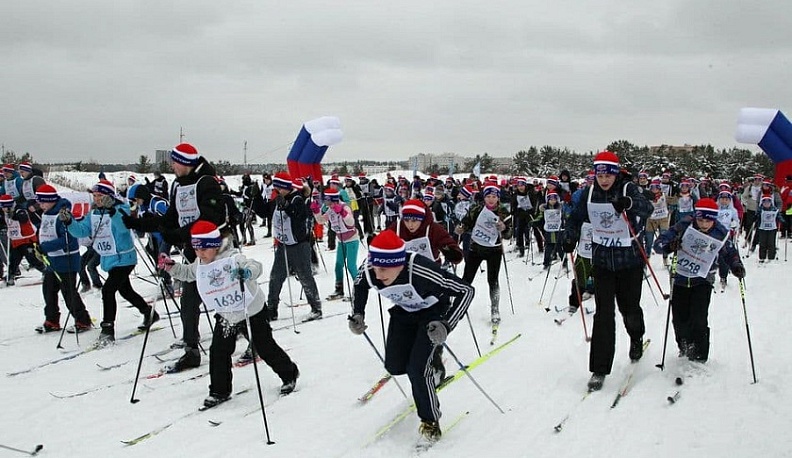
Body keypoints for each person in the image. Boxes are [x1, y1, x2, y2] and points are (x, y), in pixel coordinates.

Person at [349, 230, 474, 445]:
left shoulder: (422, 270)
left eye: (384, 269)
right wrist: (358, 313)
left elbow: (466, 290)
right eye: (375, 268)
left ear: (399, 263)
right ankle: (432, 362)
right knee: (395, 366)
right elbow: (360, 284)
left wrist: (447, 324)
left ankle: (430, 422)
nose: (378, 275)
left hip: (433, 315)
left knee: (417, 369)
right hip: (404, 313)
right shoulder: (371, 269)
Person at [160, 221, 300, 407]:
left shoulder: (232, 258)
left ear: (215, 246)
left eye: (204, 249)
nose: (200, 254)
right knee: (218, 351)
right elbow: (189, 273)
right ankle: (219, 390)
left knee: (264, 346)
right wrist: (172, 267)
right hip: (227, 314)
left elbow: (255, 265)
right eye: (196, 250)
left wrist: (247, 272)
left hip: (251, 310)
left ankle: (289, 373)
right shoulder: (201, 263)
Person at [122, 143, 227, 371]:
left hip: (215, 249)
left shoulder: (207, 183)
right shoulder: (178, 185)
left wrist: (179, 234)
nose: (172, 166)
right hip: (192, 249)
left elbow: (210, 217)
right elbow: (169, 218)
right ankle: (191, 350)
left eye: (175, 162)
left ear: (186, 163)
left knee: (224, 297)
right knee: (189, 301)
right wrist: (140, 223)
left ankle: (250, 337)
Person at [562, 151, 653, 391]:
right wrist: (569, 236)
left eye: (607, 174)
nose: (603, 179)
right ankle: (599, 368)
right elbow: (575, 217)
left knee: (629, 307)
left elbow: (647, 207)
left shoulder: (628, 188)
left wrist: (630, 204)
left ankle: (636, 336)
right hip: (602, 261)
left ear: (615, 173)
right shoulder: (589, 193)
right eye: (599, 174)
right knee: (603, 314)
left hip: (629, 261)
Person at [64, 179, 159, 347]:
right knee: (126, 291)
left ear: (109, 196)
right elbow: (82, 231)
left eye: (100, 195)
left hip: (124, 259)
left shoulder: (120, 208)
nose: (96, 198)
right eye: (94, 195)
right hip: (109, 259)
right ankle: (149, 313)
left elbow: (123, 228)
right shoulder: (93, 214)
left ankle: (107, 329)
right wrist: (69, 222)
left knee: (108, 291)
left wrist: (112, 211)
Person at [653, 198, 745, 362]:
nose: (703, 224)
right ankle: (685, 346)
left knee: (699, 318)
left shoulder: (720, 232)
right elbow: (659, 244)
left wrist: (736, 265)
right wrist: (670, 246)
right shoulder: (684, 225)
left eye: (708, 221)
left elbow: (730, 252)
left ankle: (700, 354)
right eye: (700, 220)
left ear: (714, 219)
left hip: (703, 279)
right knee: (679, 318)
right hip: (680, 278)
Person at [33, 185, 93, 333]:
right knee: (48, 291)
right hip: (51, 261)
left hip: (66, 260)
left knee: (69, 293)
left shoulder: (63, 214)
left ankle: (83, 320)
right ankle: (52, 320)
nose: (40, 205)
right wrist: (39, 248)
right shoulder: (47, 213)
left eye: (42, 202)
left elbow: (68, 241)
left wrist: (45, 247)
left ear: (51, 200)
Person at [267, 171, 322, 322]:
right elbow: (266, 212)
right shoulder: (278, 197)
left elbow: (299, 215)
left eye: (280, 188)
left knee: (305, 277)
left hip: (299, 244)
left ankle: (316, 308)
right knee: (276, 277)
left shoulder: (298, 198)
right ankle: (271, 309)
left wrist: (286, 207)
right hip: (283, 244)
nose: (278, 191)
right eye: (276, 187)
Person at [456, 183, 512, 325]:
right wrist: (460, 229)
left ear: (498, 198)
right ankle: (458, 305)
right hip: (476, 248)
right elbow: (466, 223)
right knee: (467, 278)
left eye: (494, 196)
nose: (491, 199)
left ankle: (495, 309)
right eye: (488, 196)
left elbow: (509, 234)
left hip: (494, 250)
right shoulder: (477, 208)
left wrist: (504, 228)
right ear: (484, 197)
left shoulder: (503, 211)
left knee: (493, 281)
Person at [310, 187, 359, 301]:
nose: (327, 204)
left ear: (334, 200)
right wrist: (316, 212)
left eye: (328, 201)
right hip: (341, 240)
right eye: (325, 201)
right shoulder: (330, 210)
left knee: (351, 266)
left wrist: (342, 213)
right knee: (338, 265)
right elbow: (321, 221)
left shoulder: (344, 207)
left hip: (352, 239)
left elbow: (351, 222)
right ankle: (339, 289)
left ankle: (358, 290)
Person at [0, 194, 45, 285]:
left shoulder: (19, 209)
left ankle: (46, 271)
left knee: (32, 259)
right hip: (16, 240)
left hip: (27, 240)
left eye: (4, 207)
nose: (3, 209)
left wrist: (12, 215)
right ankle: (10, 276)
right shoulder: (3, 213)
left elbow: (23, 218)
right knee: (13, 260)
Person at [751, 195, 784, 263]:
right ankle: (762, 257)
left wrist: (782, 221)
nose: (766, 204)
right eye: (764, 202)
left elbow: (779, 216)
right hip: (762, 228)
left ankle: (771, 257)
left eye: (768, 202)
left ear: (770, 202)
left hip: (772, 229)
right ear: (762, 203)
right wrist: (755, 218)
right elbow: (756, 216)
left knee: (771, 243)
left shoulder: (774, 209)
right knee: (762, 243)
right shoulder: (760, 209)